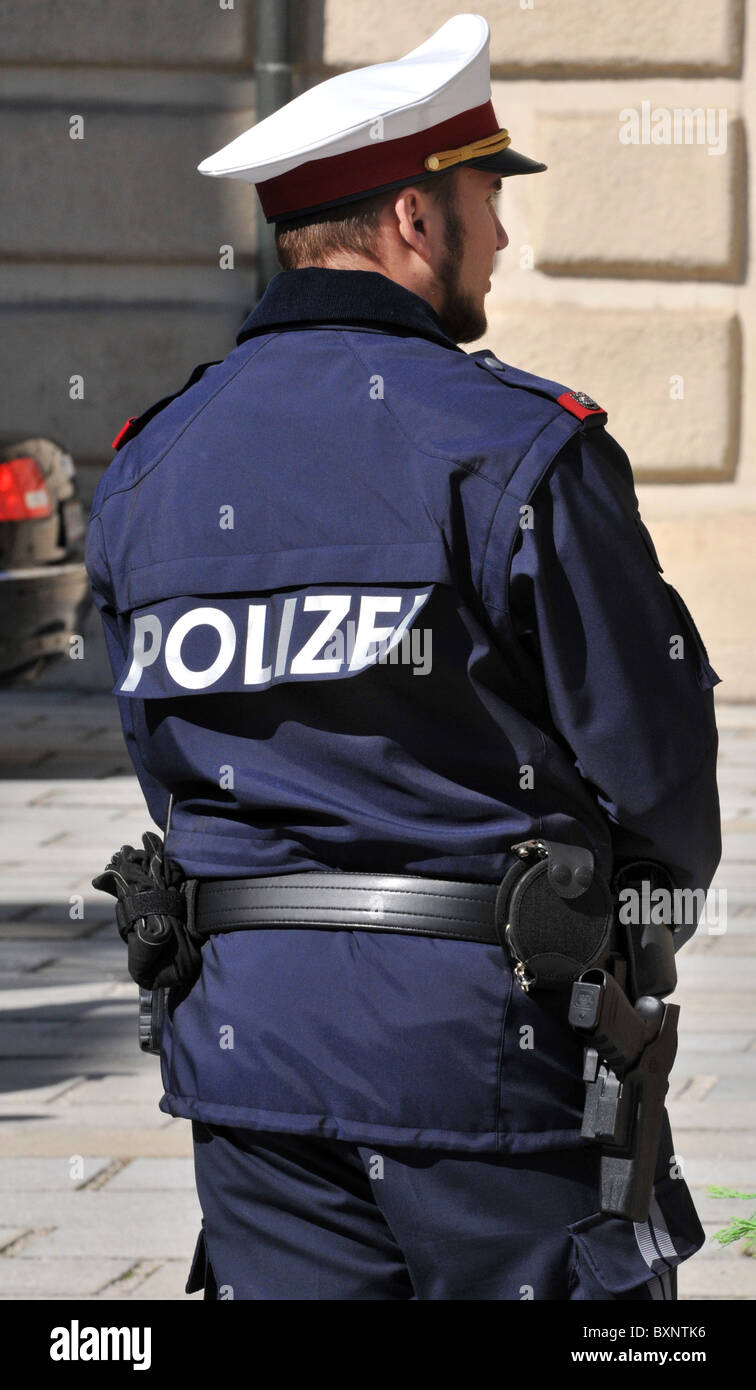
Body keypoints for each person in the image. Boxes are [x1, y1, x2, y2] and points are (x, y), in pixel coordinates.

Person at [86, 14, 721, 1300]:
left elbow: (170, 762)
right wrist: (632, 922)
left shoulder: (151, 465)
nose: (504, 233)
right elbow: (655, 771)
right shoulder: (515, 447)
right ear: (414, 225)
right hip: (488, 1069)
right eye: (487, 196)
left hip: (248, 1057)